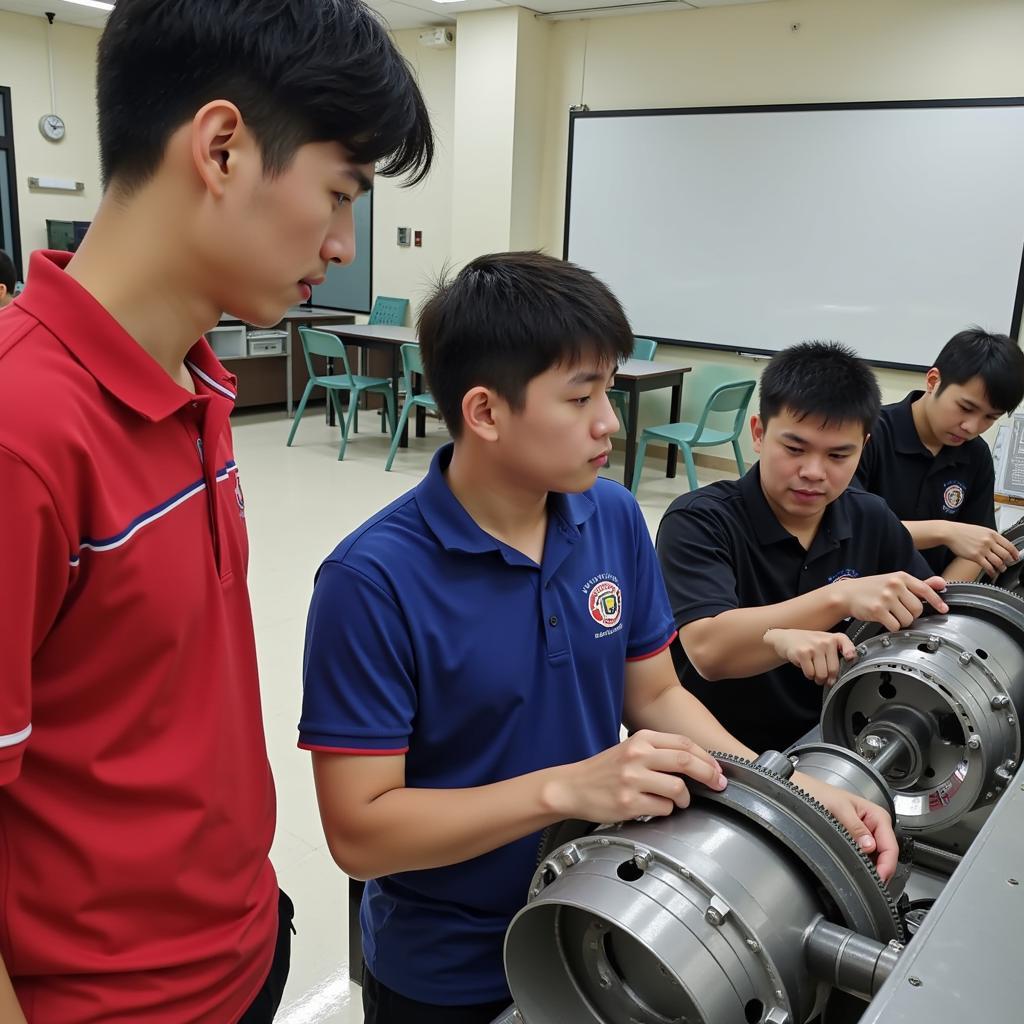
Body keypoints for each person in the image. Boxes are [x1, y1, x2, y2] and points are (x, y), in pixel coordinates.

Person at [299, 256, 898, 1024]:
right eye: (581, 397)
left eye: (607, 391)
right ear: (485, 412)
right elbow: (361, 833)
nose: (609, 423)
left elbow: (653, 695)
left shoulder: (609, 517)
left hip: (603, 922)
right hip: (447, 967)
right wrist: (567, 788)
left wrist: (787, 792)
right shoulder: (371, 581)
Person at [0, 2, 432, 1022]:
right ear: (223, 148)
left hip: (240, 945)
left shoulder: (195, 384)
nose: (340, 244)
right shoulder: (22, 431)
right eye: (338, 193)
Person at [656, 342, 949, 754]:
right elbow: (709, 649)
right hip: (712, 749)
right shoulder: (699, 520)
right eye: (794, 449)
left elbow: (929, 616)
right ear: (758, 433)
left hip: (829, 741)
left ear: (863, 448)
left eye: (838, 455)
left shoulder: (870, 517)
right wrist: (839, 597)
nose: (813, 472)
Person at [855, 328, 1024, 581]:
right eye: (965, 408)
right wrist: (945, 531)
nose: (972, 427)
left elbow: (976, 549)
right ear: (933, 381)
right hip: (858, 596)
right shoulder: (869, 435)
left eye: (990, 417)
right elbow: (850, 529)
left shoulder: (976, 454)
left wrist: (939, 607)